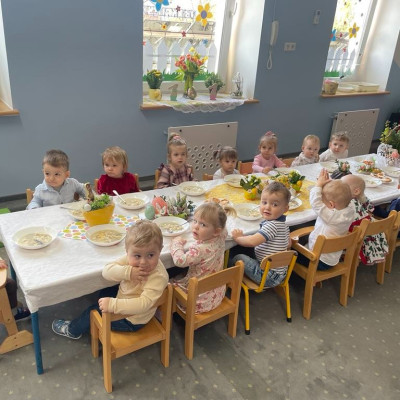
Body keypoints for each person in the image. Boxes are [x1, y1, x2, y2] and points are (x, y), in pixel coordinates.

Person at [52, 220, 168, 339]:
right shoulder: (131, 257)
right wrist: (128, 272)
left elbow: (143, 304)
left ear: (160, 250)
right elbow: (106, 271)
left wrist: (112, 305)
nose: (143, 262)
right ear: (127, 251)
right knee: (105, 290)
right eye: (137, 256)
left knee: (93, 312)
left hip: (132, 319)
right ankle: (98, 313)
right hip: (125, 297)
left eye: (150, 255)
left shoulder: (158, 276)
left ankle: (73, 330)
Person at [170, 202, 234, 313]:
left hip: (197, 301)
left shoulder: (199, 250)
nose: (196, 226)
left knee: (167, 284)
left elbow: (179, 261)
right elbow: (224, 229)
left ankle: (165, 315)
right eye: (194, 221)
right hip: (216, 294)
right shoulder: (222, 235)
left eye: (203, 225)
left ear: (216, 231)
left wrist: (176, 243)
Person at [231, 182, 291, 287]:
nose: (267, 207)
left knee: (238, 256)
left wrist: (238, 238)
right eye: (264, 202)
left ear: (285, 209)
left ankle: (229, 279)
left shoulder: (272, 226)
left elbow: (252, 242)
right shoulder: (284, 225)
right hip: (279, 273)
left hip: (267, 276)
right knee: (248, 249)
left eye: (274, 204)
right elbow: (288, 244)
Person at [294, 168, 355, 270]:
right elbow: (344, 195)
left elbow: (315, 202)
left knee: (290, 251)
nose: (322, 203)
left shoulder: (331, 216)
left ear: (331, 205)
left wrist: (318, 185)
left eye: (323, 201)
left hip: (318, 260)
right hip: (332, 258)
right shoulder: (350, 211)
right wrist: (329, 185)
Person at [341, 174, 389, 264]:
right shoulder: (363, 198)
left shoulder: (347, 203)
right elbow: (371, 209)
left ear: (356, 191)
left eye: (342, 187)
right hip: (369, 233)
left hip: (357, 238)